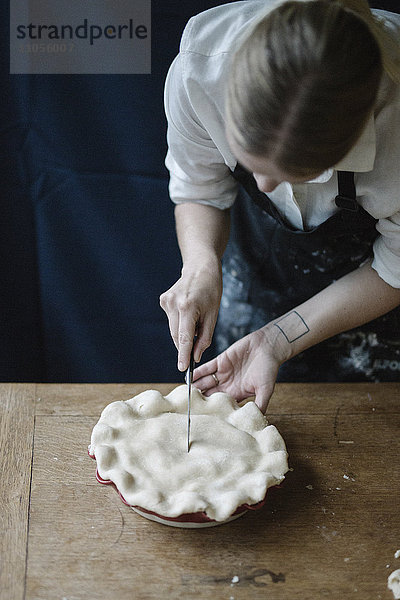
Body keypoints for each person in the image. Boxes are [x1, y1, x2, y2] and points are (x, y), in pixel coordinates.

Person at [160, 0, 400, 412]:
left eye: (298, 172)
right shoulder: (200, 71)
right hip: (255, 281)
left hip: (376, 315)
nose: (264, 186)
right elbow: (201, 190)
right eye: (248, 162)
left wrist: (280, 336)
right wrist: (201, 264)